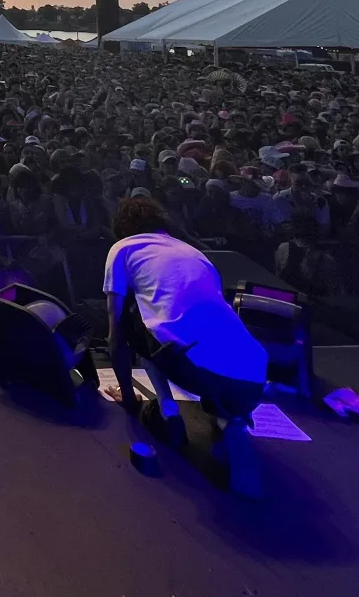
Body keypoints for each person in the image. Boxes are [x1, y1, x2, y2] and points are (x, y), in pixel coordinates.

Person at [103, 195, 267, 494]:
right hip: (254, 373)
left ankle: (168, 412)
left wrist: (127, 398)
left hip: (192, 367)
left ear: (122, 227)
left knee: (135, 317)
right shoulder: (194, 252)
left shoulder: (123, 248)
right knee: (208, 350)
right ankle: (231, 419)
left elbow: (115, 335)